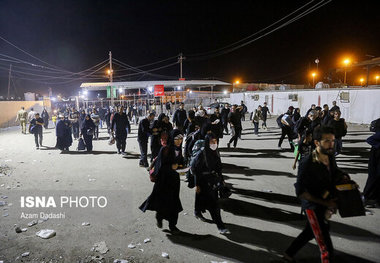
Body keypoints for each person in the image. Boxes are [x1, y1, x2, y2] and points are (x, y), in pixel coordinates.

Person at [284, 126, 350, 262]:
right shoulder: (307, 163)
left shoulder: (330, 156)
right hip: (313, 207)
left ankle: (288, 254)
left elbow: (334, 173)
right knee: (326, 248)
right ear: (316, 143)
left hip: (326, 202)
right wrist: (326, 203)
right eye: (327, 141)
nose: (331, 144)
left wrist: (344, 177)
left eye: (333, 140)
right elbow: (301, 192)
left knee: (310, 232)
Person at [139, 129, 184, 234]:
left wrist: (182, 168)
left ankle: (173, 225)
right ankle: (159, 217)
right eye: (177, 139)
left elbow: (180, 162)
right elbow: (159, 167)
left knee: (174, 202)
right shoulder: (165, 150)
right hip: (163, 181)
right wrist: (171, 167)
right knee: (162, 201)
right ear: (172, 138)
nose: (179, 141)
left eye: (181, 139)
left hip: (175, 181)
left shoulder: (179, 150)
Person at [191, 132, 230, 234]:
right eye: (212, 142)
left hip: (213, 181)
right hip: (203, 181)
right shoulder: (201, 154)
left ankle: (197, 211)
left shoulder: (215, 152)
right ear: (207, 142)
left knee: (201, 197)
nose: (214, 143)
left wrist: (222, 180)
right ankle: (220, 226)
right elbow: (195, 169)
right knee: (214, 205)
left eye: (215, 141)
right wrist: (197, 184)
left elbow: (218, 168)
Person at [363, 119, 380, 207]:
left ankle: (375, 199)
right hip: (376, 158)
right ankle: (367, 197)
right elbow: (370, 139)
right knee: (373, 177)